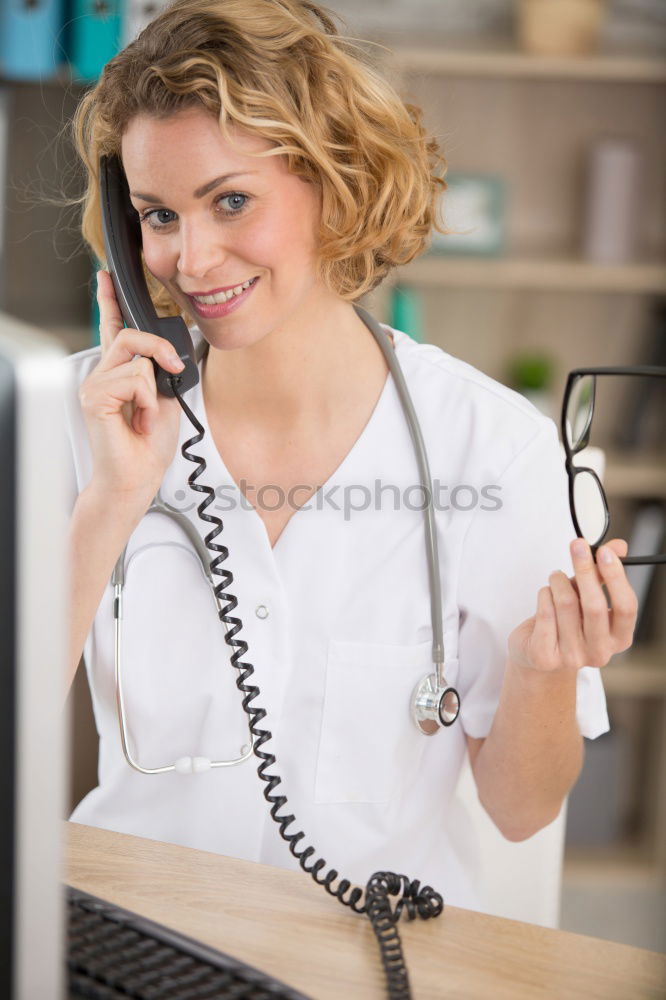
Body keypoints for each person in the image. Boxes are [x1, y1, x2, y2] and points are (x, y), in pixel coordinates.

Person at [65, 0, 637, 910]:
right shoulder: (85, 419)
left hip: (365, 955)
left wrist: (542, 671)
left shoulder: (489, 451)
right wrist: (110, 504)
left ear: (335, 183)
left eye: (232, 200)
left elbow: (522, 811)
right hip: (125, 929)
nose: (191, 257)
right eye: (157, 215)